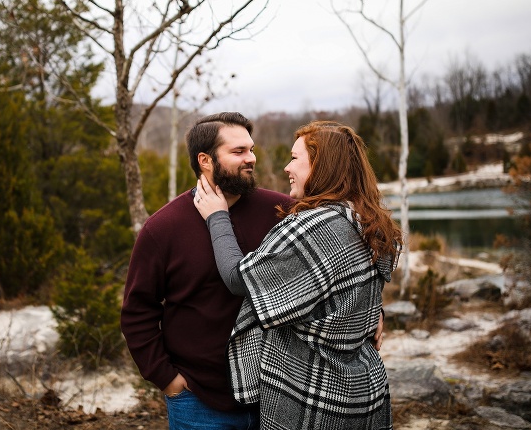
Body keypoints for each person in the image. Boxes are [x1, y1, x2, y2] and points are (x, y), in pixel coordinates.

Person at [193, 120, 400, 430]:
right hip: (364, 389)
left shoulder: (314, 227)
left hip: (316, 395)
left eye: (294, 158)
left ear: (321, 166)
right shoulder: (364, 217)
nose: (287, 167)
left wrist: (217, 217)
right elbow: (348, 289)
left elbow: (239, 279)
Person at [120, 112, 293, 430]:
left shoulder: (282, 212)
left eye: (251, 149)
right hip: (198, 400)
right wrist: (167, 378)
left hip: (277, 394)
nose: (251, 158)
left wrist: (373, 307)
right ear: (205, 160)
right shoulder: (163, 228)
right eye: (238, 151)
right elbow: (137, 311)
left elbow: (335, 259)